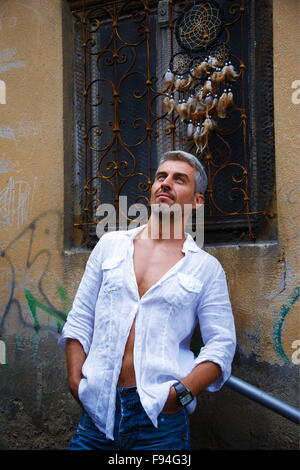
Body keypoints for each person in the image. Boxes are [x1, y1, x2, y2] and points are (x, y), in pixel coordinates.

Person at [58, 150, 236, 450]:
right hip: (97, 414)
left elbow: (222, 345)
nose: (165, 183)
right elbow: (80, 318)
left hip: (160, 422)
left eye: (179, 179)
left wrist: (178, 396)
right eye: (161, 177)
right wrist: (77, 383)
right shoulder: (111, 246)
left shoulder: (205, 269)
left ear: (197, 201)